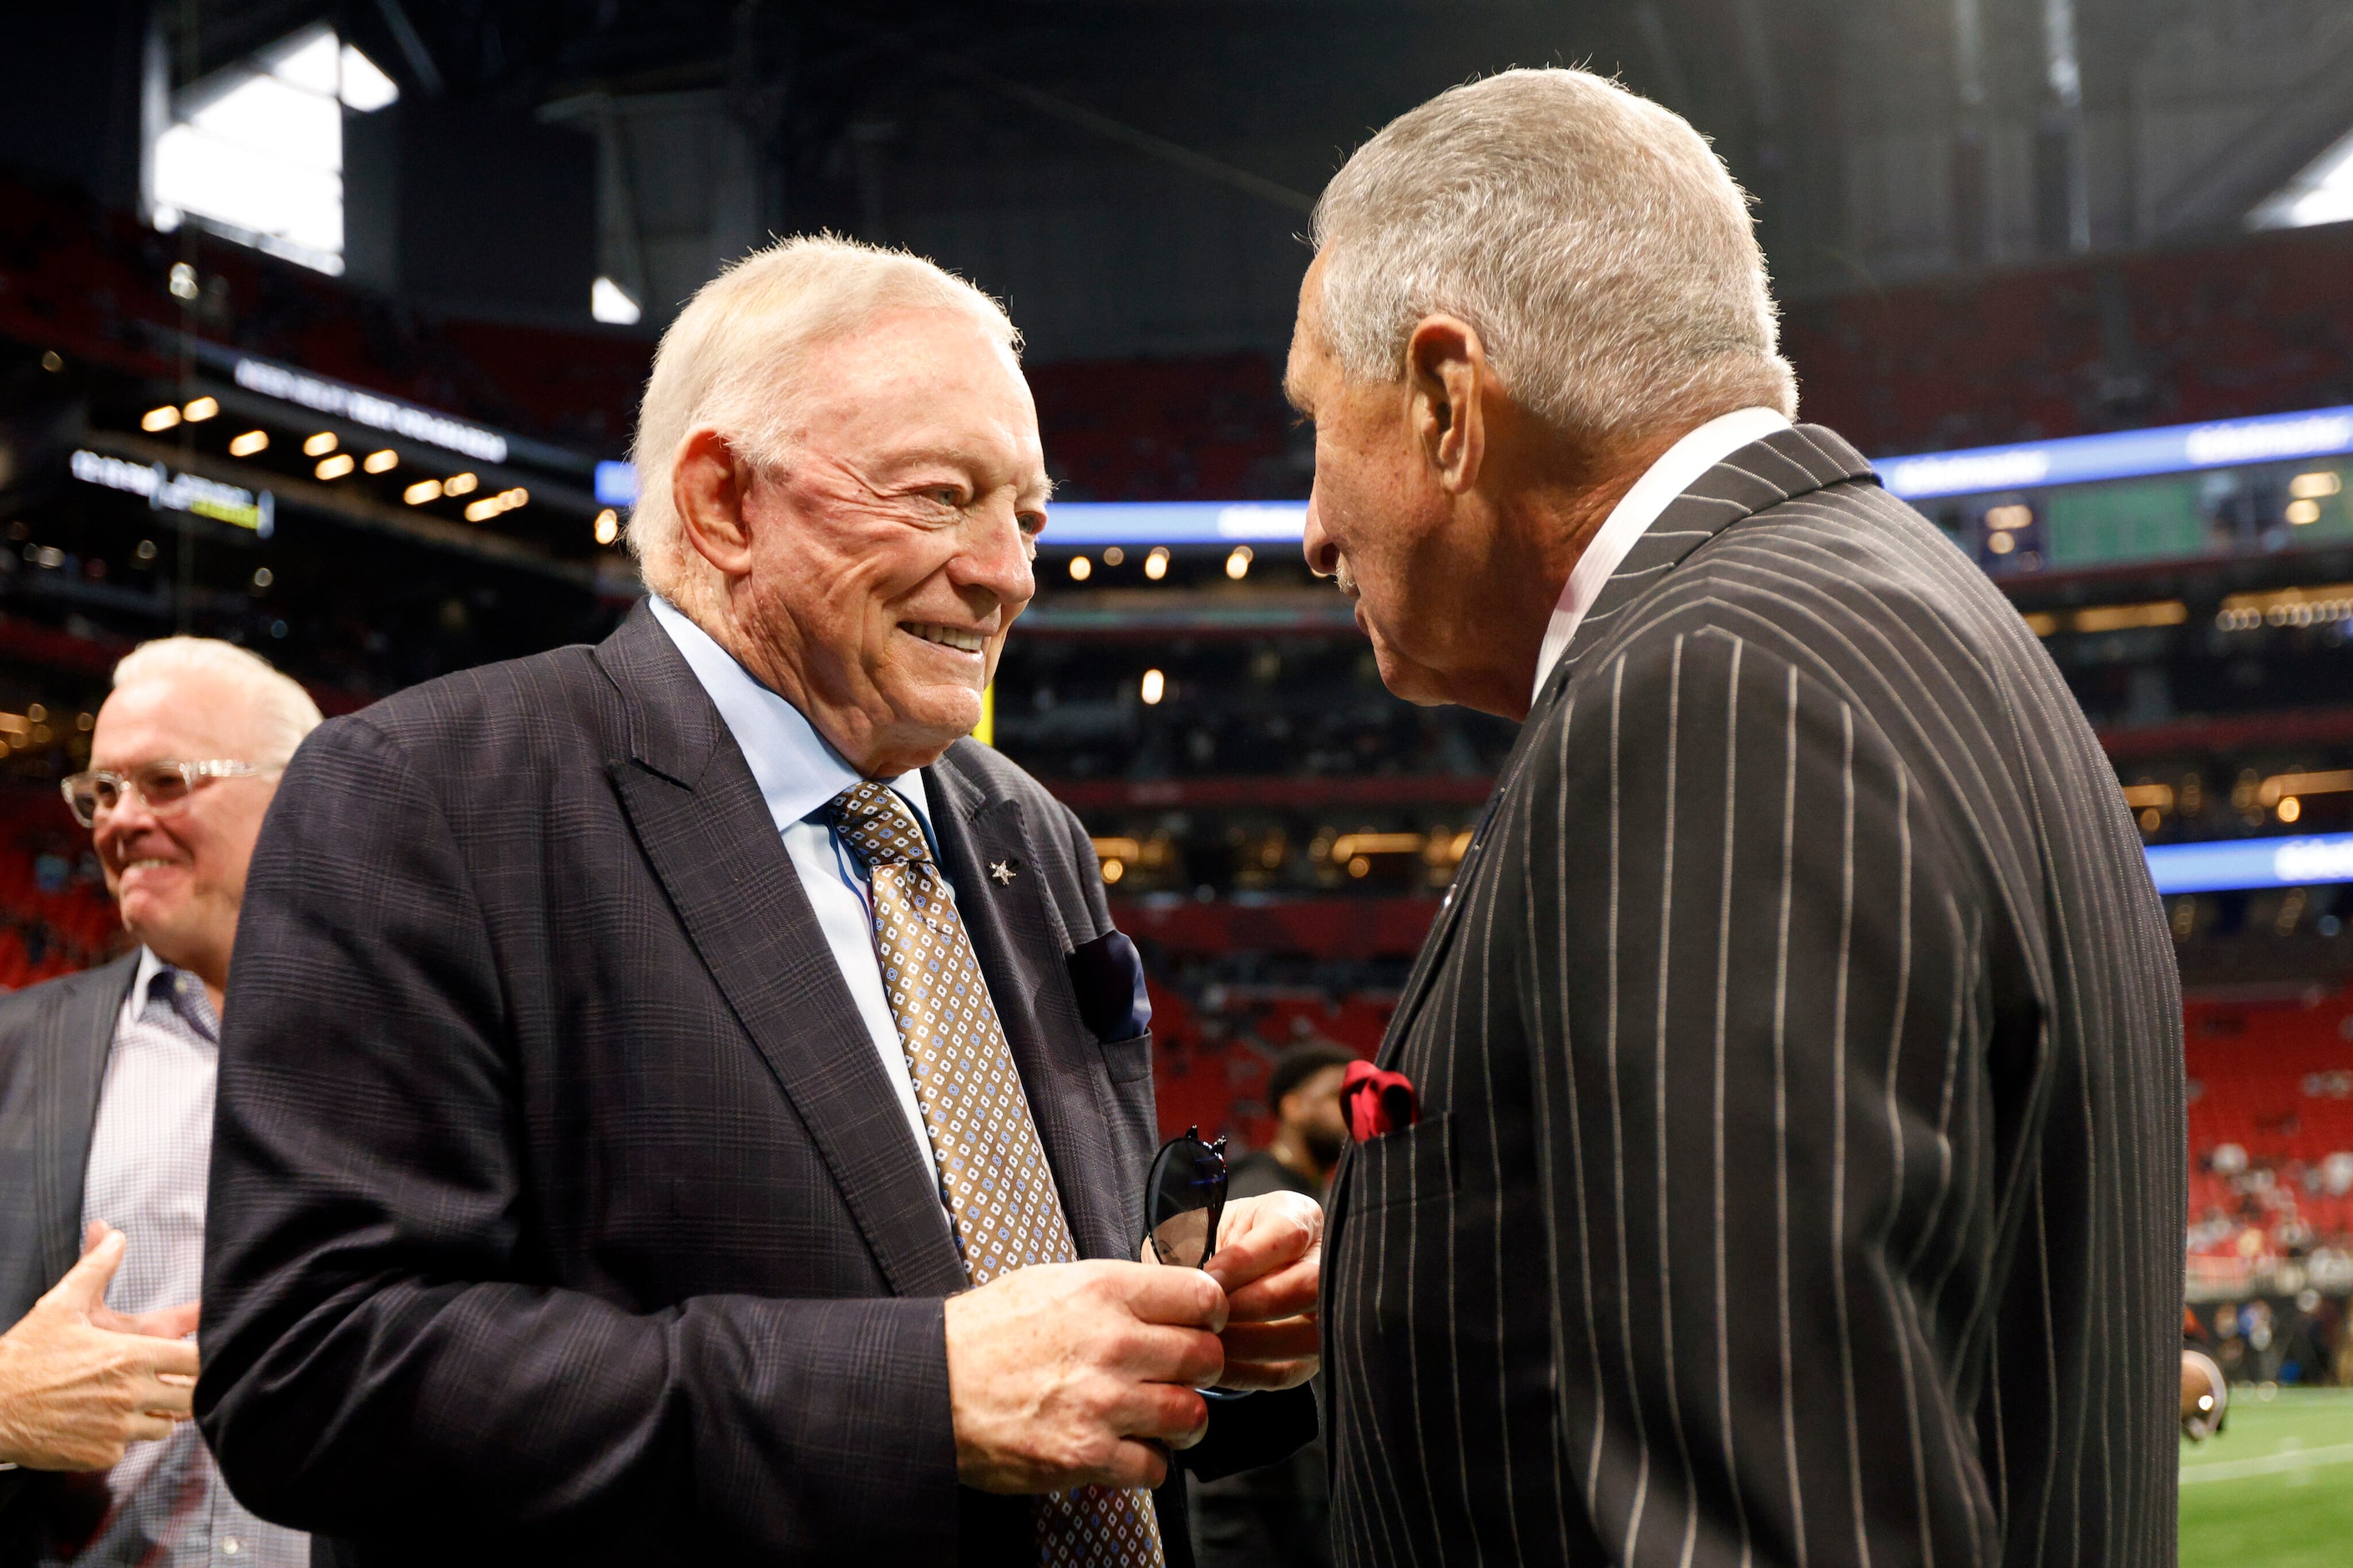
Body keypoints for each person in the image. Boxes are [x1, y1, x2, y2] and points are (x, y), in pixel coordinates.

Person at [196, 236, 1320, 1567]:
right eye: (940, 495)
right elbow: (313, 1371)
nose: (1008, 571)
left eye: (1022, 515)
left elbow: (1037, 1337)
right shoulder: (431, 795)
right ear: (725, 501)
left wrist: (1193, 1334)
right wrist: (918, 1394)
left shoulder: (1030, 833)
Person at [1289, 69, 2183, 1567]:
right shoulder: (1894, 605)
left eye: (1318, 422)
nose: (1312, 526)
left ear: (1449, 400)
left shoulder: (1709, 688)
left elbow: (1770, 1513)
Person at [0, 639, 318, 1566]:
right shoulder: (13, 1054)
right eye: (101, 793)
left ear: (304, 794)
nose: (119, 821)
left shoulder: (443, 1037)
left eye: (166, 781)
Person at [1192, 1042, 1355, 1568]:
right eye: (1335, 1096)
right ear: (1292, 1106)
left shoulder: (1307, 1192)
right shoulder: (1262, 1189)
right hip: (1258, 1489)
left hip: (1288, 1479)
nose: (1349, 1111)